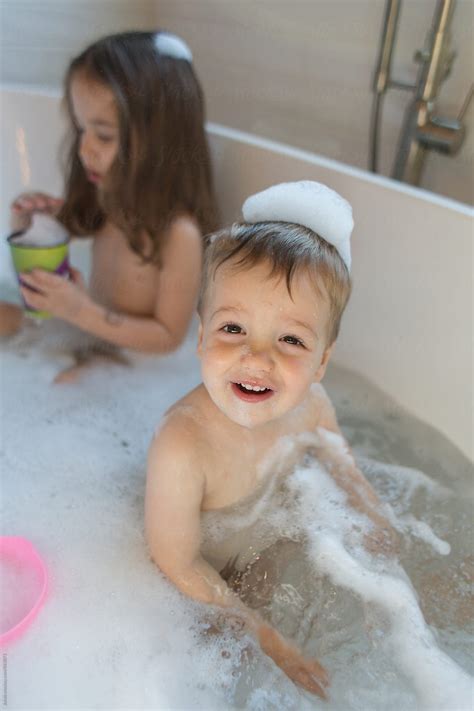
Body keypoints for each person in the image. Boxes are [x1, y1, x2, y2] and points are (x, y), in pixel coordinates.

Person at [145, 181, 398, 698]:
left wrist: (376, 523)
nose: (257, 358)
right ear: (200, 335)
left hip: (267, 546)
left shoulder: (312, 406)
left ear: (322, 361)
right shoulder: (182, 444)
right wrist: (270, 640)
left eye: (290, 340)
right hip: (195, 587)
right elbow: (176, 561)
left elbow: (342, 465)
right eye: (233, 329)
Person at [1, 31, 216, 382]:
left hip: (126, 357)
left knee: (65, 383)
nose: (84, 149)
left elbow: (168, 339)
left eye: (102, 135)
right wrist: (28, 229)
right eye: (80, 128)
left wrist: (80, 311)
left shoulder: (180, 235)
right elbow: (35, 278)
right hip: (79, 325)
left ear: (158, 142)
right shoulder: (109, 199)